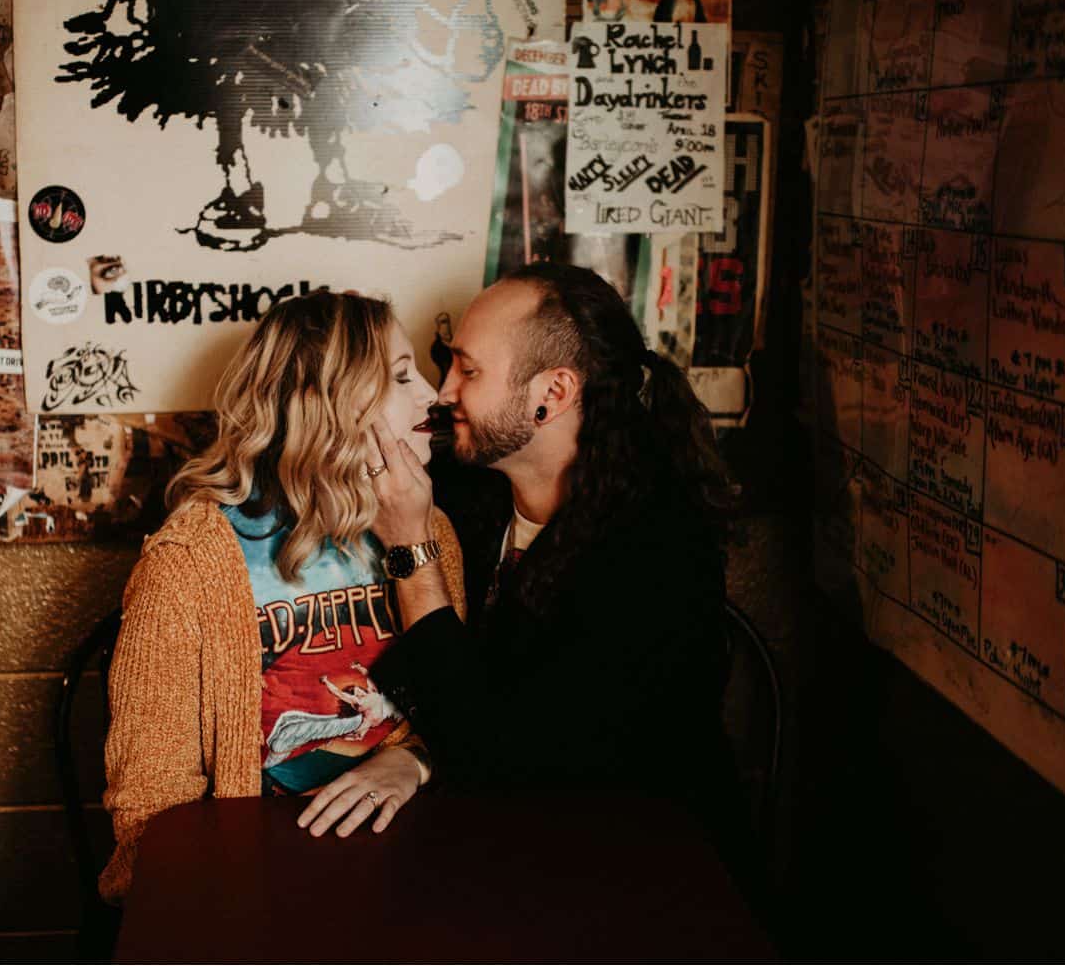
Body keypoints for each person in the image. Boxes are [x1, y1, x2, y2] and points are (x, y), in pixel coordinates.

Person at [302, 261, 745, 866]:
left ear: (552, 394)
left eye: (469, 369)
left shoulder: (657, 547)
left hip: (640, 869)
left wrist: (411, 551)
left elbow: (507, 757)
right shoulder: (467, 491)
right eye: (444, 362)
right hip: (491, 845)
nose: (443, 390)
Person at [98, 290, 467, 902]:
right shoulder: (188, 564)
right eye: (402, 377)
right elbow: (151, 804)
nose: (431, 394)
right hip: (249, 876)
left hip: (410, 857)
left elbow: (466, 722)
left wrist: (415, 762)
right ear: (327, 405)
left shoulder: (432, 533)